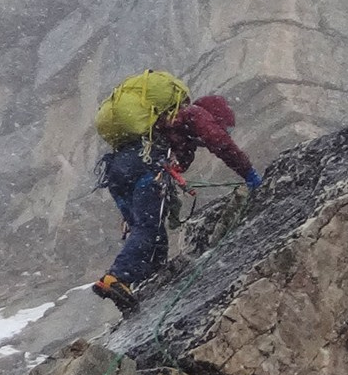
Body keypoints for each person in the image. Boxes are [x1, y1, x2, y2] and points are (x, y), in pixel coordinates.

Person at [92, 76, 261, 313]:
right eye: (223, 126)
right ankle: (115, 279)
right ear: (215, 117)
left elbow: (180, 161)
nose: (222, 131)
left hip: (117, 171)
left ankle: (140, 287)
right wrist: (249, 173)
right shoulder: (194, 114)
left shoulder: (167, 128)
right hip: (145, 167)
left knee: (153, 234)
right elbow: (220, 142)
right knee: (148, 229)